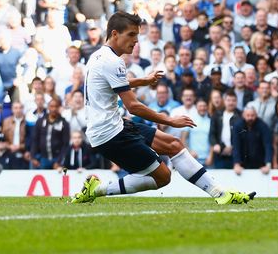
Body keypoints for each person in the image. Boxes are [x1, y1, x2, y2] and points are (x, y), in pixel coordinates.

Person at [71, 12, 254, 204]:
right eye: (131, 35)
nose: (135, 41)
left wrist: (142, 80)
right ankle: (97, 189)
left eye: (137, 35)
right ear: (115, 34)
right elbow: (133, 106)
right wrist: (170, 120)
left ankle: (221, 193)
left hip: (114, 126)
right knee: (163, 177)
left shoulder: (98, 55)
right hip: (109, 134)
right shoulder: (113, 61)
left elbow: (110, 83)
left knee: (174, 145)